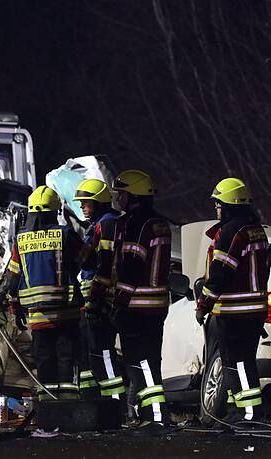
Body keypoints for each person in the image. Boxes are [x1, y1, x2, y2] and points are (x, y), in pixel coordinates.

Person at [91, 170, 172, 431]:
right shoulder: (158, 222)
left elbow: (131, 264)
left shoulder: (136, 224)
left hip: (137, 305)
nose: (118, 198)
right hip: (156, 305)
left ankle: (156, 416)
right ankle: (153, 414)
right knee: (150, 360)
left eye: (121, 193)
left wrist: (119, 303)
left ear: (132, 195)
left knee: (140, 361)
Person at [195, 178, 269, 424]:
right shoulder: (255, 229)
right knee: (238, 363)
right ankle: (236, 412)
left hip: (234, 311)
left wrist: (203, 305)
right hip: (253, 310)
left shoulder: (231, 232)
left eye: (218, 204)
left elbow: (220, 274)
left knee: (237, 363)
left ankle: (249, 414)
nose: (216, 208)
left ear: (228, 204)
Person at [5, 186, 84, 401]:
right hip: (66, 312)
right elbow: (88, 260)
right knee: (66, 359)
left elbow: (13, 278)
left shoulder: (20, 240)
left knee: (44, 360)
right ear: (54, 211)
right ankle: (67, 408)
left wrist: (14, 306)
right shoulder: (65, 235)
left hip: (37, 316)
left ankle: (47, 409)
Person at [73, 179, 125, 401]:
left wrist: (95, 299)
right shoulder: (99, 224)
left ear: (99, 202)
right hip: (92, 298)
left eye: (86, 202)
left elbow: (99, 263)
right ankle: (93, 400)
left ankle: (114, 402)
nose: (82, 207)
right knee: (91, 351)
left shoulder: (108, 224)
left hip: (101, 298)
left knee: (103, 350)